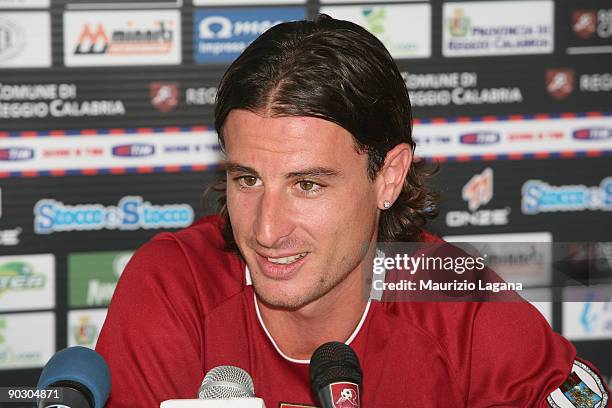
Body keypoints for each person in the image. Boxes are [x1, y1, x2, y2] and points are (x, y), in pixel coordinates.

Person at [96, 15, 609, 407]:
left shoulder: (459, 303)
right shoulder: (174, 284)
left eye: (308, 185)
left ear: (388, 176)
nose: (266, 229)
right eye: (247, 179)